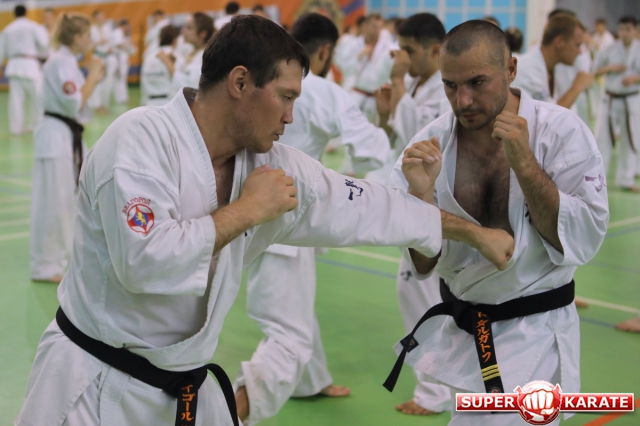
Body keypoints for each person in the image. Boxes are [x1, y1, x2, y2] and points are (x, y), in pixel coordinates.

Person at [16, 15, 514, 426]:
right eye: (286, 97)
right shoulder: (140, 140)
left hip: (181, 392)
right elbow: (144, 262)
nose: (290, 117)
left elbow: (363, 204)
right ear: (239, 83)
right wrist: (248, 210)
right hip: (90, 390)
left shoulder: (270, 163)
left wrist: (472, 233)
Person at [384, 20, 608, 426]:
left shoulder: (560, 133)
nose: (463, 100)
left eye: (477, 83)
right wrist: (420, 196)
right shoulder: (432, 143)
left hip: (537, 332)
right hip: (467, 333)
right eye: (450, 85)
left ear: (511, 70)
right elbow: (422, 264)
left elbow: (584, 237)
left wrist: (525, 164)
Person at [233, 14, 391, 426]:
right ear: (325, 51)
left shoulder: (260, 82)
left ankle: (311, 380)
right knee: (289, 335)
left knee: (295, 308)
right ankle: (228, 413)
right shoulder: (325, 92)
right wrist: (385, 126)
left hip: (246, 209)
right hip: (286, 219)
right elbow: (370, 151)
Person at [370, 13, 452, 416]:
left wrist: (399, 84)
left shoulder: (443, 90)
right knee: (420, 297)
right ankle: (439, 389)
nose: (401, 56)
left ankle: (435, 394)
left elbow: (420, 138)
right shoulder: (422, 84)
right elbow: (397, 137)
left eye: (409, 50)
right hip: (416, 201)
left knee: (422, 301)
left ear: (435, 50)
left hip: (434, 204)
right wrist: (387, 114)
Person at [29, 12, 104, 284]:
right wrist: (93, 76)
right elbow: (74, 103)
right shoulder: (59, 62)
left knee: (68, 202)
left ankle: (61, 259)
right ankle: (45, 265)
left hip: (66, 136)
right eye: (88, 35)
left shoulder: (68, 62)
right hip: (55, 137)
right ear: (76, 37)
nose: (91, 40)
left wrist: (92, 77)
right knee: (54, 203)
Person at [592, 16, 640, 192]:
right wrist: (610, 68)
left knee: (631, 140)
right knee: (603, 140)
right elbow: (594, 70)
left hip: (632, 99)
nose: (624, 33)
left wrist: (635, 79)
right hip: (610, 100)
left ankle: (626, 180)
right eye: (621, 29)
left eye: (628, 29)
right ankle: (598, 180)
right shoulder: (609, 49)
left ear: (636, 30)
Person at [512, 14, 594, 108]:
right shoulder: (528, 71)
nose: (580, 52)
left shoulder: (552, 67)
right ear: (560, 42)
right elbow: (546, 115)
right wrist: (577, 87)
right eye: (577, 45)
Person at [0, 5, 49, 135]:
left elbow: (1, 51)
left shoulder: (7, 29)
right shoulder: (34, 27)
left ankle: (16, 128)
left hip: (14, 65)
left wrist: (0, 65)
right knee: (37, 97)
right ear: (26, 13)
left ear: (14, 14)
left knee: (15, 100)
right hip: (30, 65)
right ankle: (37, 125)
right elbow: (44, 45)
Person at [349, 14, 397, 123]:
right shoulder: (355, 43)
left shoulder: (389, 47)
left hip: (376, 98)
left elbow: (391, 73)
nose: (377, 30)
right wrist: (360, 55)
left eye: (379, 27)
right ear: (366, 26)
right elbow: (344, 66)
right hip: (356, 94)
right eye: (374, 26)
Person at [168, 12, 214, 93]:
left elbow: (190, 88)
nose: (183, 31)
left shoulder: (206, 58)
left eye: (189, 28)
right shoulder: (190, 52)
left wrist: (168, 64)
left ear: (202, 33)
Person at [140, 25, 180, 106]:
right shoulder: (177, 56)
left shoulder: (149, 57)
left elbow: (143, 82)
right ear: (175, 40)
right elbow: (179, 82)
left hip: (149, 103)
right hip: (169, 103)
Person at [88, 10, 116, 113]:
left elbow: (112, 42)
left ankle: (104, 104)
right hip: (97, 56)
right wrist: (99, 42)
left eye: (103, 16)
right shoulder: (91, 30)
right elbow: (89, 46)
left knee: (108, 81)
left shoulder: (108, 28)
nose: (102, 19)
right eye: (99, 17)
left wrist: (111, 48)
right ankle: (97, 105)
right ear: (95, 18)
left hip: (108, 57)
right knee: (96, 81)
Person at [111, 19, 136, 104]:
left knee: (122, 78)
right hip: (119, 58)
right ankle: (121, 98)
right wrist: (128, 46)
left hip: (123, 58)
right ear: (124, 25)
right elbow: (118, 44)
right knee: (120, 78)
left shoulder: (123, 34)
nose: (128, 28)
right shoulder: (118, 31)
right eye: (127, 26)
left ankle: (123, 97)